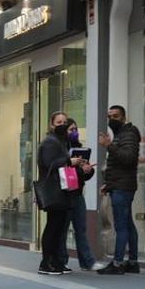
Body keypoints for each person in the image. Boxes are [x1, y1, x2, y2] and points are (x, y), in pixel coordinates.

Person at [36, 112, 83, 275]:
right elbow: (50, 164)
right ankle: (46, 262)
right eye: (58, 122)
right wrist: (69, 161)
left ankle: (56, 261)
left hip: (63, 190)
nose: (62, 124)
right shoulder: (50, 142)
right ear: (51, 124)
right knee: (53, 227)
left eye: (64, 121)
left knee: (59, 227)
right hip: (54, 190)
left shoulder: (61, 141)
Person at [98, 105, 143, 275]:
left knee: (121, 225)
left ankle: (118, 263)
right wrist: (108, 184)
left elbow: (128, 159)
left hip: (123, 188)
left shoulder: (128, 134)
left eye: (115, 116)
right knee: (128, 224)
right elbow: (118, 166)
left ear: (123, 117)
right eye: (109, 117)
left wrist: (109, 145)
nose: (112, 120)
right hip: (120, 185)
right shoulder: (121, 135)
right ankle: (132, 262)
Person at [57, 119, 106, 272]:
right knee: (62, 229)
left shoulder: (79, 148)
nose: (74, 132)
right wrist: (72, 163)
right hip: (63, 194)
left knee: (81, 228)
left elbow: (83, 175)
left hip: (77, 193)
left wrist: (88, 170)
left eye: (75, 129)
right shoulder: (59, 148)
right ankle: (61, 260)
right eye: (71, 129)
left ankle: (87, 262)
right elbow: (59, 170)